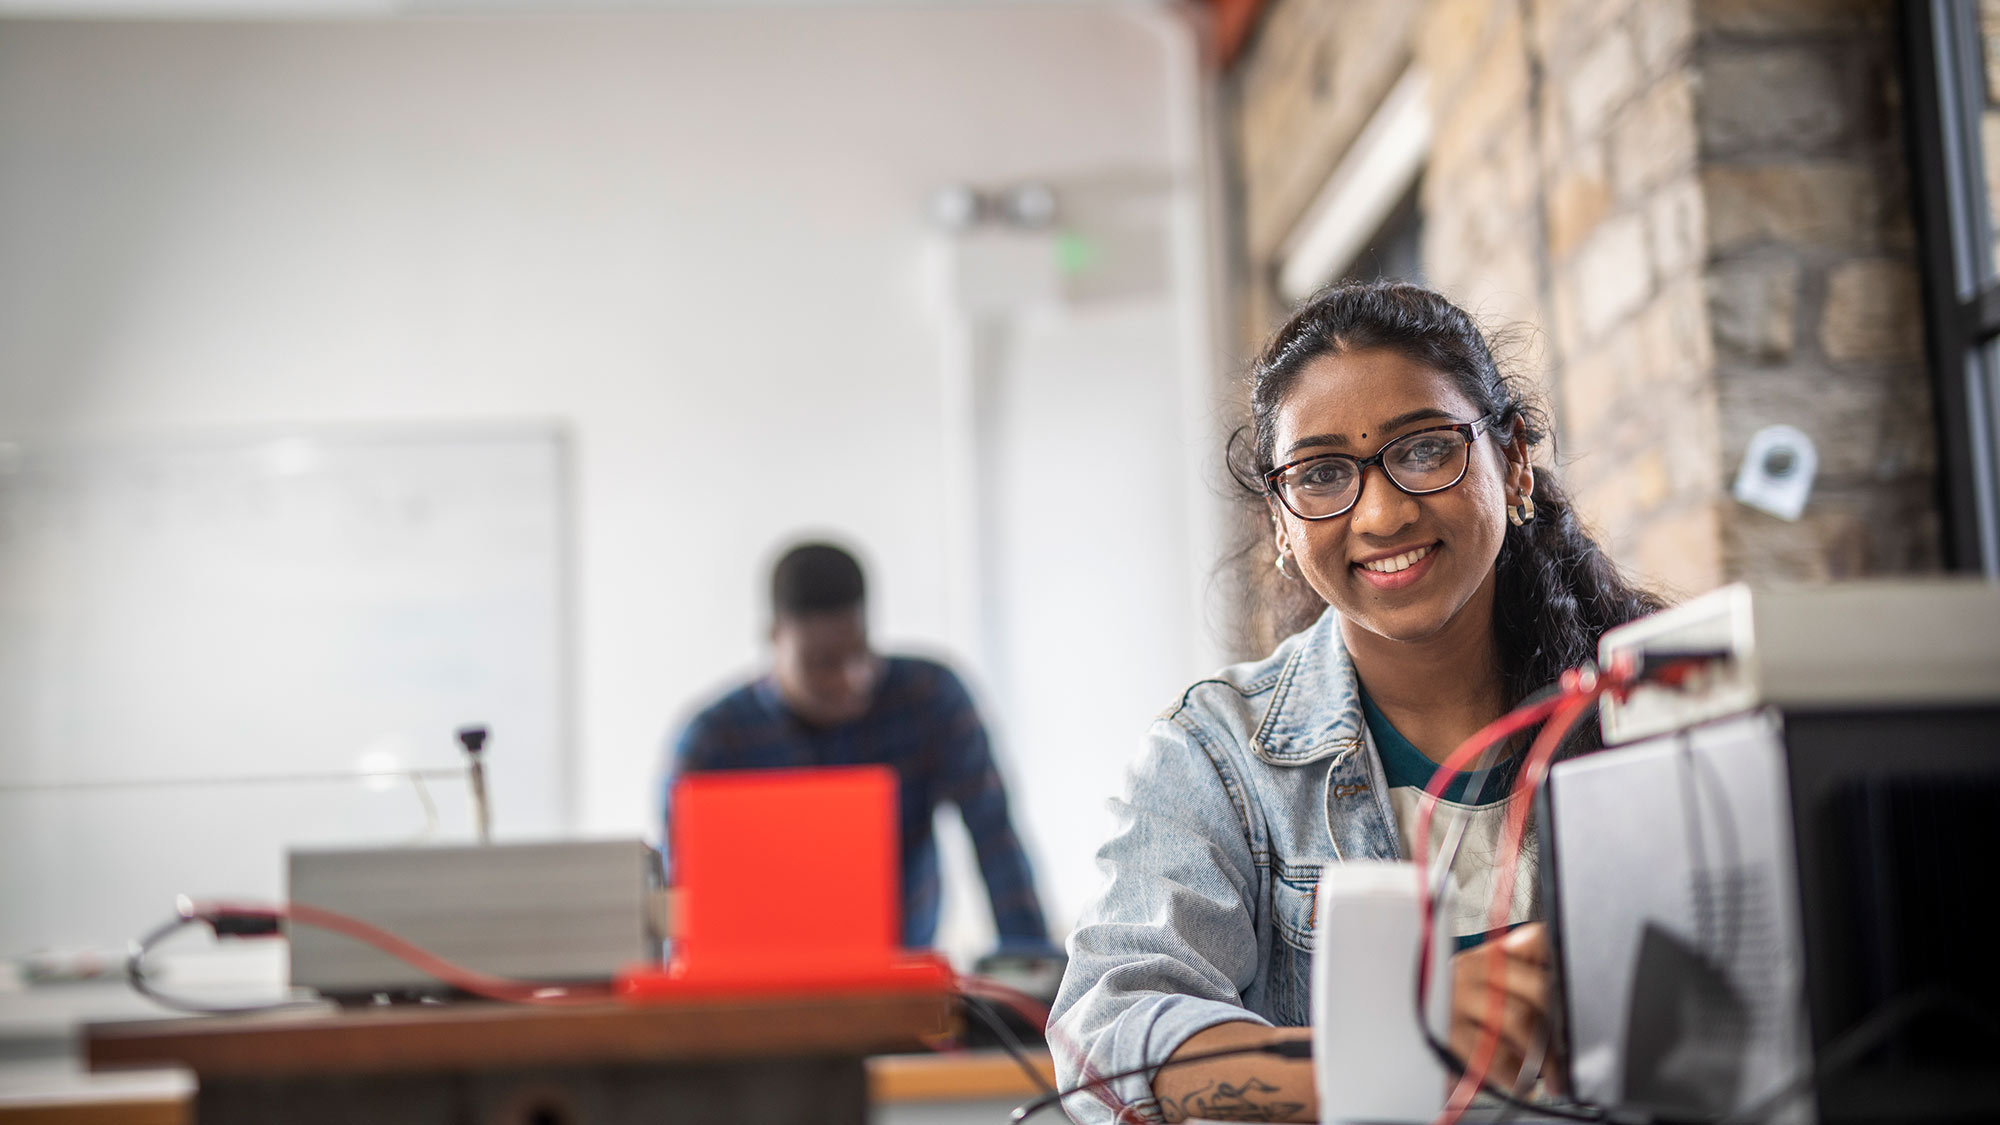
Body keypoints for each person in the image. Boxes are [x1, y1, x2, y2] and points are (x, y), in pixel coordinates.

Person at [1048, 282, 1664, 1122]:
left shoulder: (1660, 704)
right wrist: (1395, 1038)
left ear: (1513, 459)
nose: (1380, 511)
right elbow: (1109, 1045)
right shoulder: (1217, 757)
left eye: (1423, 449)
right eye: (1323, 473)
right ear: (1281, 521)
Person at [663, 540, 1051, 953]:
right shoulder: (711, 743)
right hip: (756, 984)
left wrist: (1035, 978)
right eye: (823, 662)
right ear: (774, 638)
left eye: (860, 652)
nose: (850, 678)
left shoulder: (930, 699)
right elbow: (679, 894)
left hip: (903, 970)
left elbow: (996, 841)